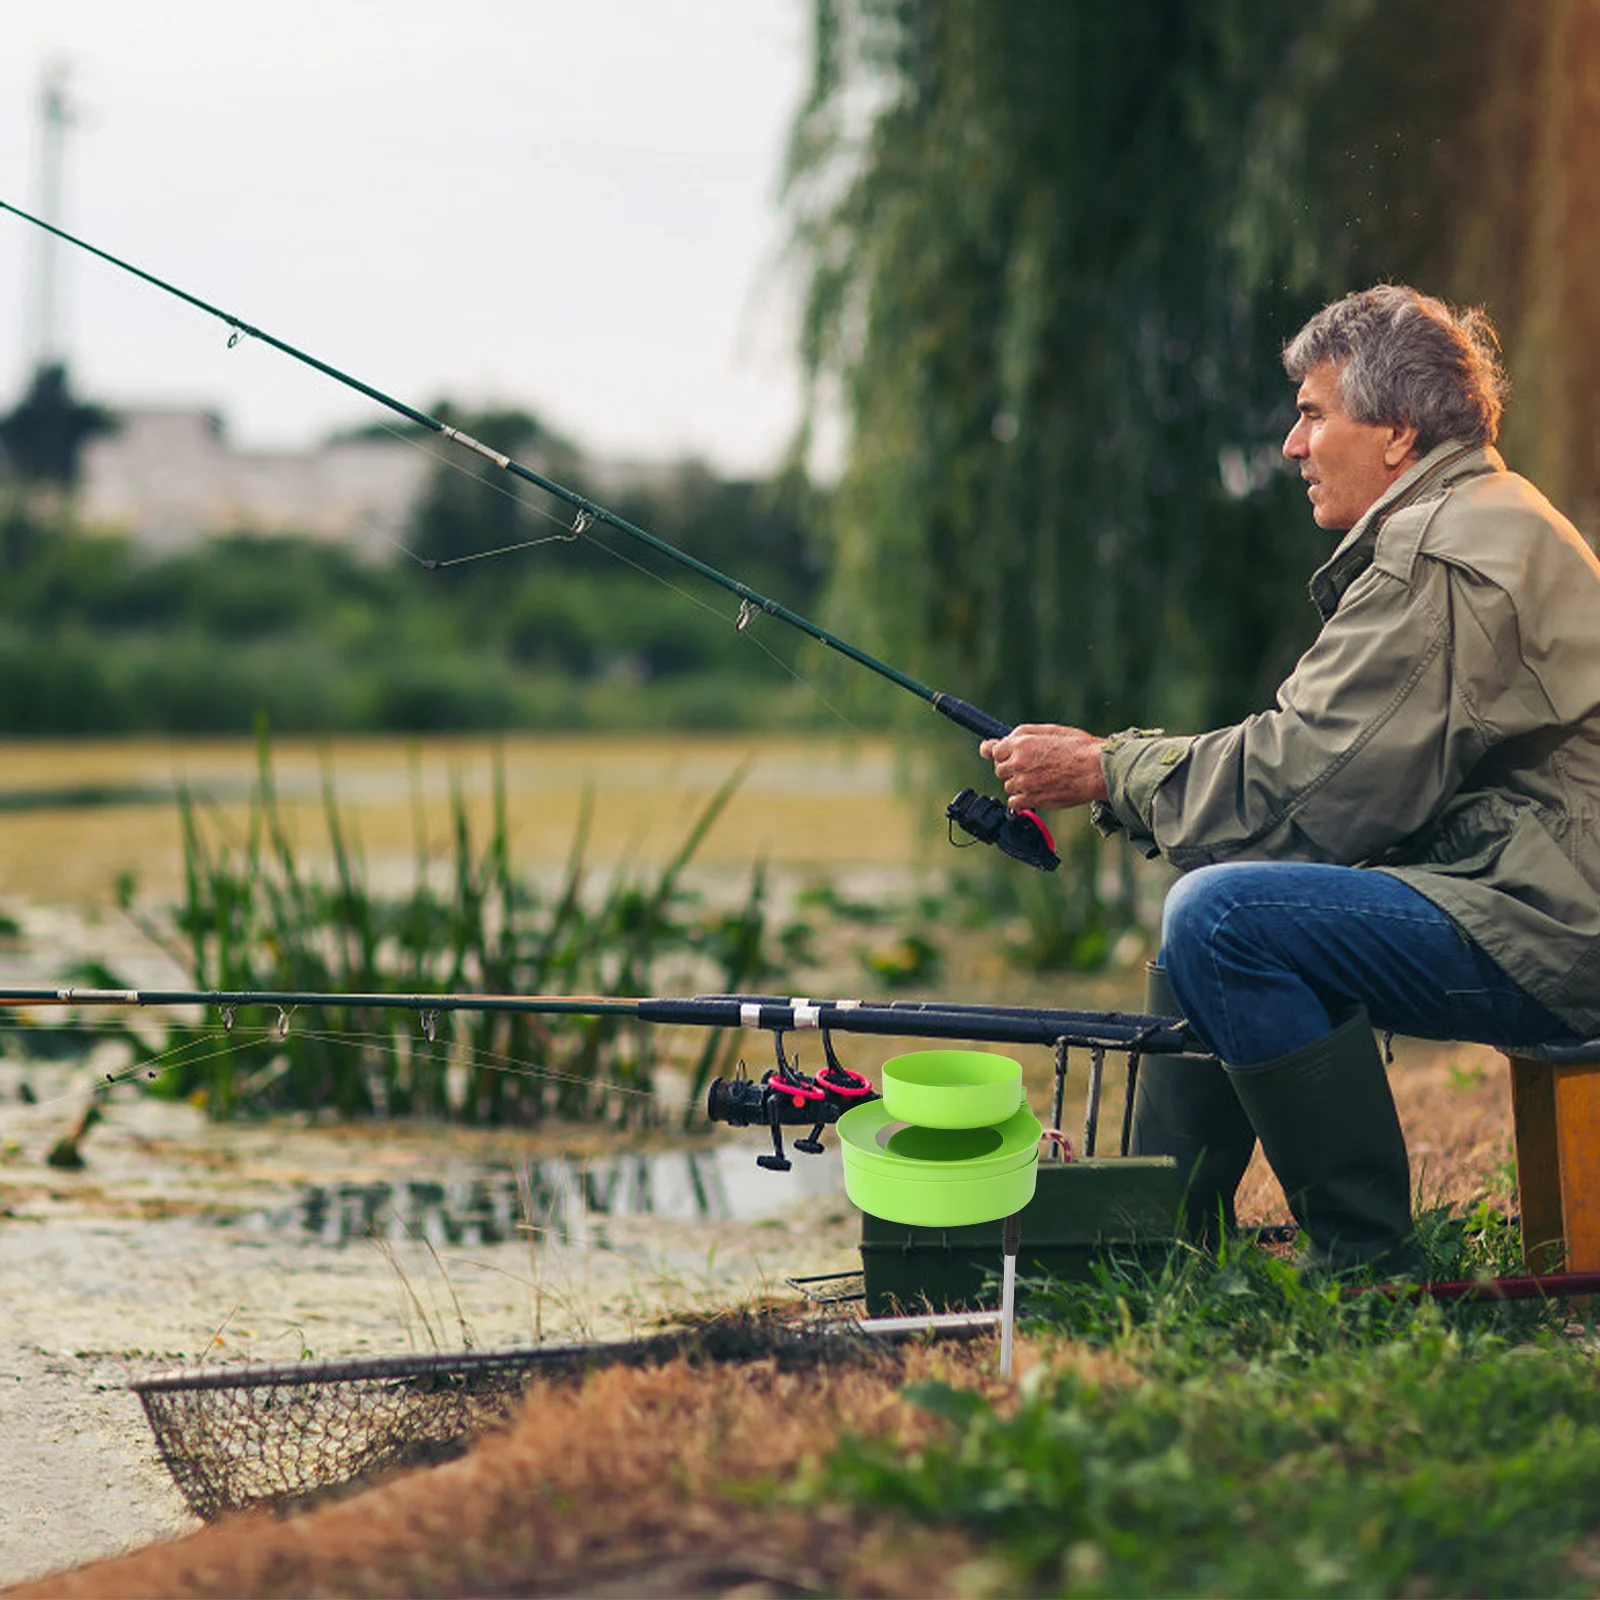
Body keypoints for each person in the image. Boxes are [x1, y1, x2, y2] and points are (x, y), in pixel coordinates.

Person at [980, 285, 1600, 1272]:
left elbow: (1306, 786)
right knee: (1218, 907)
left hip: (1559, 933)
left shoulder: (1436, 559)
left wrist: (1106, 769)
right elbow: (1318, 787)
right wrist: (1128, 774)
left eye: (1313, 413)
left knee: (1222, 916)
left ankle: (1365, 1262)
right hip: (1542, 900)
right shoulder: (1477, 515)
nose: (1289, 444)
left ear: (1396, 433)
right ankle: (1151, 1242)